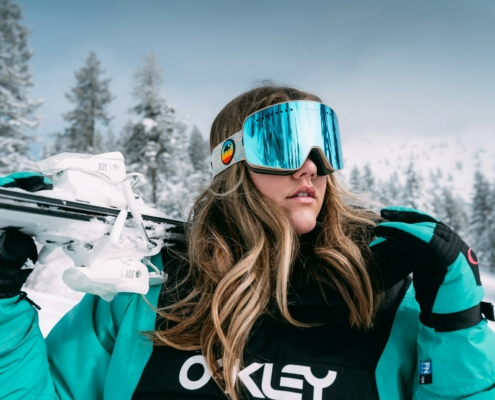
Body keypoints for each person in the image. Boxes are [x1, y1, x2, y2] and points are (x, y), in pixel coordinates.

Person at [1, 84, 494, 400]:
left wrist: (456, 320)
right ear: (229, 163)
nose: (310, 167)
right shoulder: (147, 295)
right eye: (282, 143)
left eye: (325, 146)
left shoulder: (384, 299)